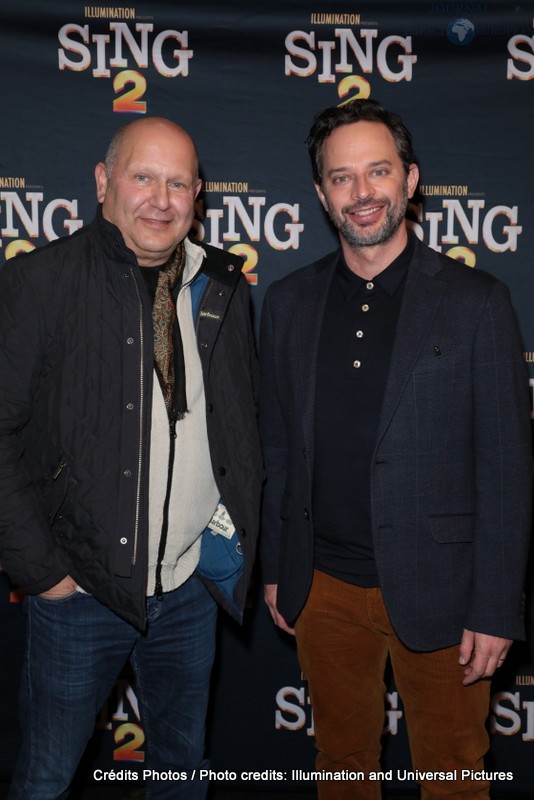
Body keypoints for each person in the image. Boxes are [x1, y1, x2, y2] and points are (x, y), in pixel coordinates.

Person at [259, 98, 532, 800]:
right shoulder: (288, 302)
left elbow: (507, 468)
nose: (362, 193)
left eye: (377, 171)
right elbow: (279, 449)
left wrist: (497, 606)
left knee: (451, 775)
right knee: (343, 769)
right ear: (321, 194)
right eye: (342, 178)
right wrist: (276, 565)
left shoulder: (478, 302)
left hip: (446, 592)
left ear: (411, 179)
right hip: (322, 590)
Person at [0, 117, 262, 800]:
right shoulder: (38, 283)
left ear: (198, 195)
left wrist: (225, 544)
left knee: (181, 771)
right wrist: (44, 572)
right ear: (103, 181)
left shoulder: (222, 286)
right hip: (78, 592)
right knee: (45, 778)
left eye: (179, 183)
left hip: (185, 591)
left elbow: (236, 428)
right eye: (143, 177)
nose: (161, 198)